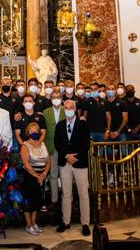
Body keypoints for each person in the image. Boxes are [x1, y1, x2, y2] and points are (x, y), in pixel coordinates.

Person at [55, 100, 91, 236]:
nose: (69, 109)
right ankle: (66, 221)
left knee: (83, 194)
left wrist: (76, 156)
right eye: (66, 108)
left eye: (71, 107)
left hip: (80, 162)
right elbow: (57, 143)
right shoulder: (60, 125)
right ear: (64, 109)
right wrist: (66, 156)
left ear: (75, 109)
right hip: (65, 163)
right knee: (66, 194)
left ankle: (85, 223)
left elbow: (86, 143)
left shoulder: (83, 124)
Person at [20, 122, 50, 236]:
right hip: (29, 176)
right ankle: (29, 225)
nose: (34, 133)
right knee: (29, 202)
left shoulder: (42, 144)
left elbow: (48, 161)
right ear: (28, 133)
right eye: (31, 131)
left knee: (37, 201)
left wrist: (44, 174)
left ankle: (34, 222)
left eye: (36, 131)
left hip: (42, 176)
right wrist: (37, 176)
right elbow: (26, 164)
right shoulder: (25, 145)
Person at [43, 91, 65, 206]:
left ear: (61, 98)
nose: (56, 99)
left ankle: (67, 198)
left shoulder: (67, 110)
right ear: (50, 99)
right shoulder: (46, 112)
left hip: (65, 147)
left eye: (58, 97)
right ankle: (54, 199)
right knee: (53, 174)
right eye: (53, 97)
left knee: (66, 174)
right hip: (51, 146)